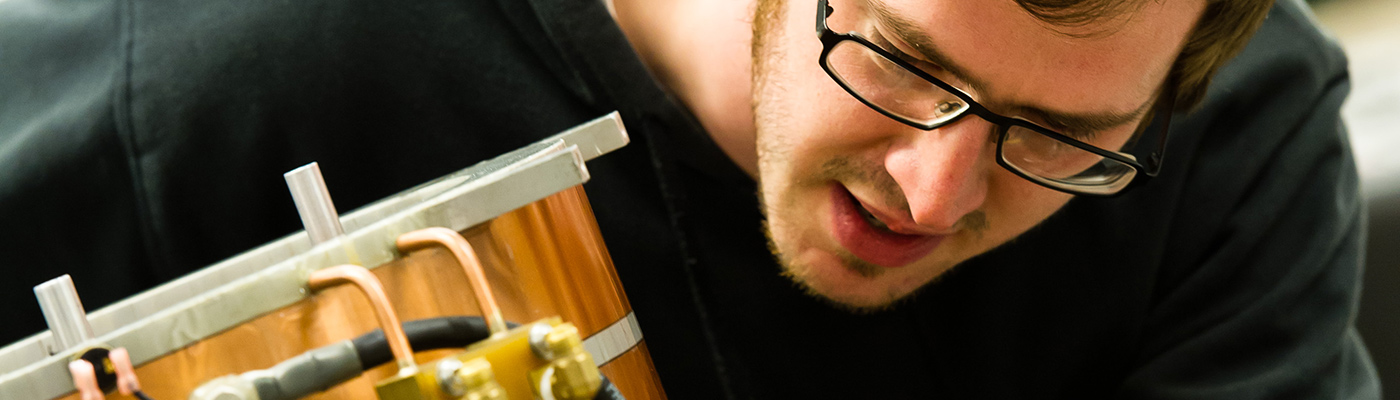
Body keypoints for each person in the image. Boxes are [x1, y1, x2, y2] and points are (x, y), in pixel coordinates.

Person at [0, 0, 1379, 397]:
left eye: (1061, 138)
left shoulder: (1237, 128)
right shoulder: (228, 73)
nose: (935, 190)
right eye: (902, 65)